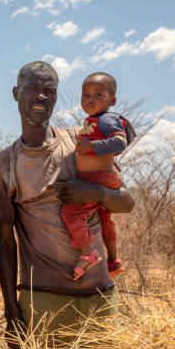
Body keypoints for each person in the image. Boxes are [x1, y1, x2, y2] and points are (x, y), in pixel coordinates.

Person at [0, 61, 135, 349]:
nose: (40, 96)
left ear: (55, 99)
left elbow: (126, 202)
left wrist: (96, 194)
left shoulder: (80, 141)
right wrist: (12, 311)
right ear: (16, 94)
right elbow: (5, 243)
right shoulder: (4, 164)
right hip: (43, 300)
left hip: (100, 297)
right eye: (31, 88)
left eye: (48, 91)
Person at [61, 72, 136, 279]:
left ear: (112, 100)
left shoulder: (108, 119)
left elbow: (120, 142)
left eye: (98, 95)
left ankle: (88, 253)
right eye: (86, 95)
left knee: (71, 213)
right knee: (104, 218)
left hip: (98, 178)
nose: (90, 99)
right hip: (101, 178)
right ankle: (113, 259)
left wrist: (91, 146)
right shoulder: (94, 121)